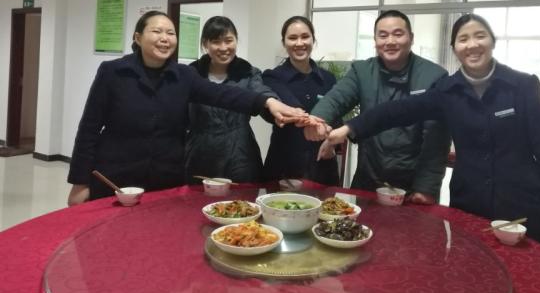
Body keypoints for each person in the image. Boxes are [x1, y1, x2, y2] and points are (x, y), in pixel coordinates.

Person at [318, 13, 540, 252]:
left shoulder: (524, 86)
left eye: (480, 36)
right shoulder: (448, 91)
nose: (472, 45)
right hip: (470, 202)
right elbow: (397, 111)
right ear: (454, 48)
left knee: (534, 274)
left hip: (524, 203)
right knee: (472, 270)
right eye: (463, 39)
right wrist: (350, 128)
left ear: (492, 41)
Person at [67, 11, 305, 205]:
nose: (165, 38)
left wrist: (267, 102)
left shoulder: (183, 75)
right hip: (117, 177)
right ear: (138, 38)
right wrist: (80, 182)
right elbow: (88, 129)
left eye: (170, 33)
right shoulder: (113, 72)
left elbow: (222, 94)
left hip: (164, 179)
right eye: (157, 31)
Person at [306, 10, 451, 202]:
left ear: (411, 38)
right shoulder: (363, 71)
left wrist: (426, 188)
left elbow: (436, 142)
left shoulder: (434, 76)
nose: (390, 41)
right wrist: (316, 120)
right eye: (383, 35)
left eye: (398, 34)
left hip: (412, 187)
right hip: (368, 179)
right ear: (375, 40)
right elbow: (336, 98)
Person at [185, 16, 275, 183]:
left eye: (228, 40)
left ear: (236, 40)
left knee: (243, 198)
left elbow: (261, 91)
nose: (223, 47)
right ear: (205, 44)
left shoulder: (248, 72)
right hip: (200, 154)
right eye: (216, 42)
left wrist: (273, 102)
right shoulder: (192, 73)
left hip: (240, 154)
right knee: (198, 198)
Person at [261, 16, 340, 185]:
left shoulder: (328, 79)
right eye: (292, 38)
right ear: (284, 43)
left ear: (313, 39)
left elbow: (337, 118)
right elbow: (286, 106)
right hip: (284, 168)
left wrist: (332, 141)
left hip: (322, 166)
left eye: (305, 36)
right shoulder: (272, 77)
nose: (299, 43)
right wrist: (309, 119)